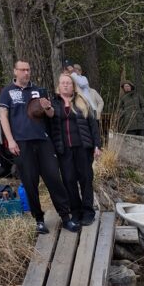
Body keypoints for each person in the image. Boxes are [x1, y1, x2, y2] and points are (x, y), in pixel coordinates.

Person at [0, 60, 80, 235]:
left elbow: (51, 114)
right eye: (22, 70)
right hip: (21, 143)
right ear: (15, 71)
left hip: (43, 140)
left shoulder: (39, 90)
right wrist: (10, 140)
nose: (26, 73)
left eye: (28, 69)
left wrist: (48, 107)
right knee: (30, 181)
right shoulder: (7, 92)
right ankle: (39, 220)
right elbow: (3, 116)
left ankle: (66, 217)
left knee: (53, 177)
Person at [49, 73, 102, 226]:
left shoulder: (82, 101)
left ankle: (88, 212)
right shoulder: (53, 104)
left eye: (68, 83)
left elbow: (93, 125)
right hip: (64, 150)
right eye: (63, 83)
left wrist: (97, 145)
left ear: (73, 86)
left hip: (83, 148)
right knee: (69, 181)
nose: (65, 85)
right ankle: (76, 212)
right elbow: (50, 127)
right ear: (59, 86)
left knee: (86, 179)